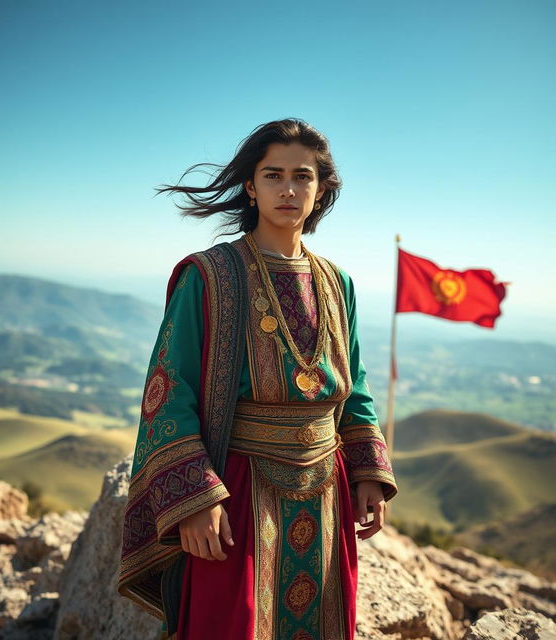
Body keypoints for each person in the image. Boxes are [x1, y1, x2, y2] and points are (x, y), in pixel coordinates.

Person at [118, 118, 399, 640]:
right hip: (237, 490)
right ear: (251, 185)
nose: (288, 189)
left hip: (326, 491)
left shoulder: (338, 284)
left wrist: (367, 471)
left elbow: (353, 383)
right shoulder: (210, 275)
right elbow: (166, 390)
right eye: (273, 175)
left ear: (322, 189)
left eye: (303, 176)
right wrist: (196, 500)